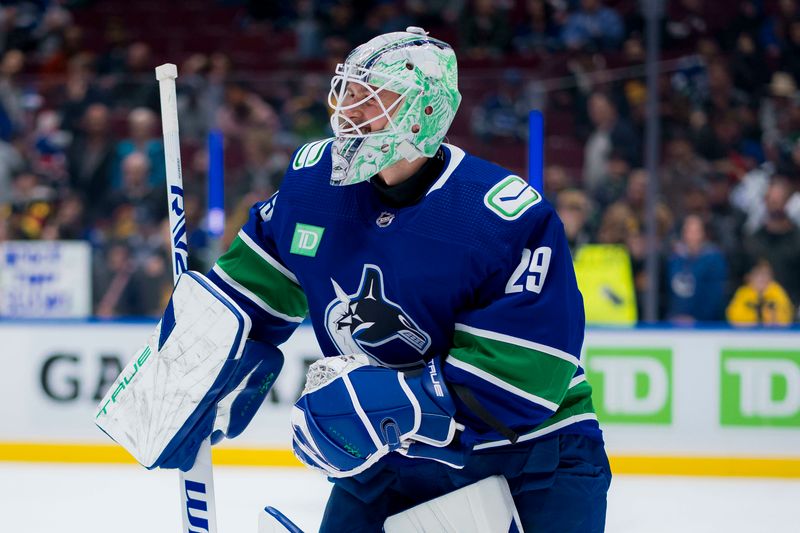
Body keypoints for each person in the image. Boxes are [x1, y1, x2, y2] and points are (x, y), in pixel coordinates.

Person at [101, 27, 609, 533]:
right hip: (392, 457)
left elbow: (527, 375)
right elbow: (247, 298)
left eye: (374, 97)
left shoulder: (501, 214)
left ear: (427, 113)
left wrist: (392, 402)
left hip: (529, 457)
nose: (350, 110)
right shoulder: (312, 185)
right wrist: (191, 365)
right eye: (348, 91)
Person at [726, 259, 795, 326]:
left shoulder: (777, 292)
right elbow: (733, 316)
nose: (762, 278)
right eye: (758, 275)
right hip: (747, 334)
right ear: (748, 277)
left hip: (773, 334)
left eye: (766, 274)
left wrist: (771, 317)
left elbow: (787, 315)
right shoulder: (743, 293)